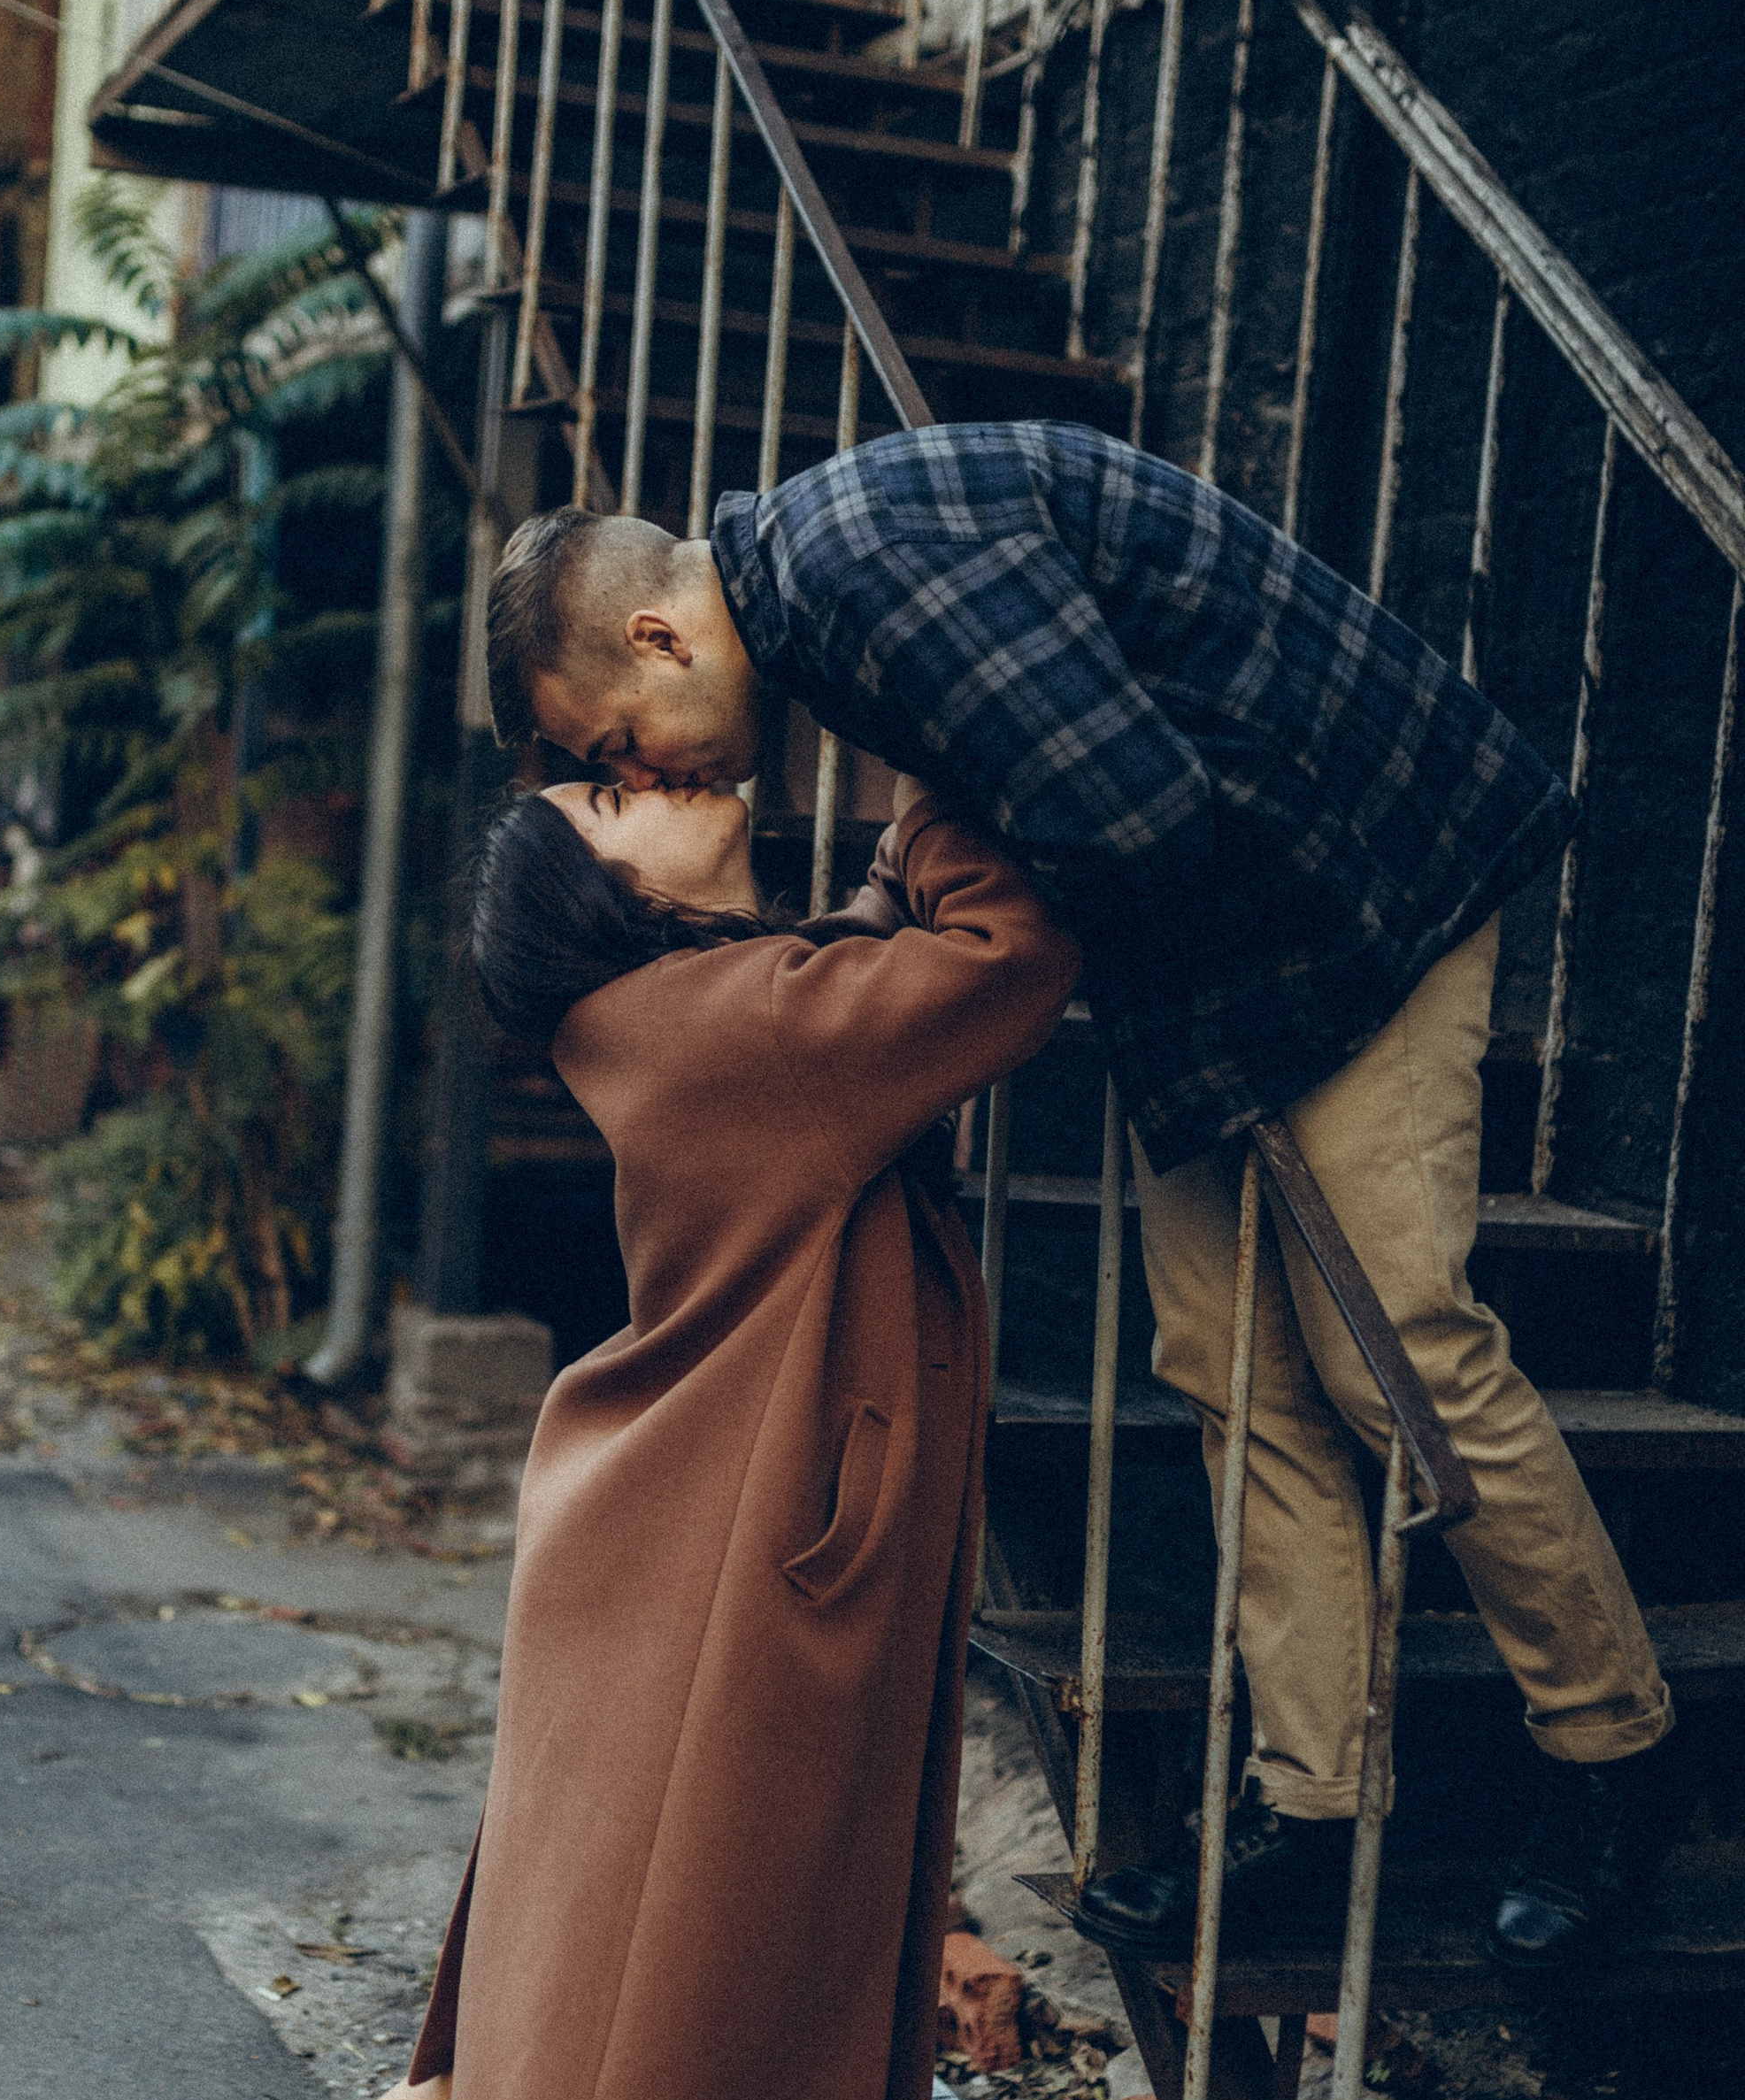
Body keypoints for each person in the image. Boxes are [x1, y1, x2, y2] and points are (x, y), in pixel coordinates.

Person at [483, 420, 1677, 1975]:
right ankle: (1318, 1814)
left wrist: (936, 911)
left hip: (1370, 884)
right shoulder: (827, 600)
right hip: (1235, 957)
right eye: (609, 778)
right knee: (1228, 1364)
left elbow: (1133, 822)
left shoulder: (864, 573)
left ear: (657, 632)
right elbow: (1055, 815)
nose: (640, 773)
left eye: (616, 741)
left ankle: (1613, 1762)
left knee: (1405, 1348)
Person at [190, 774, 1079, 2100]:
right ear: (599, 891)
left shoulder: (714, 1006)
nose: (681, 779)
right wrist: (935, 785)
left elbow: (855, 974)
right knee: (635, 2007)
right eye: (623, 788)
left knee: (606, 1987)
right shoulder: (723, 1028)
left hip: (688, 1556)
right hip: (714, 1581)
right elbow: (1001, 965)